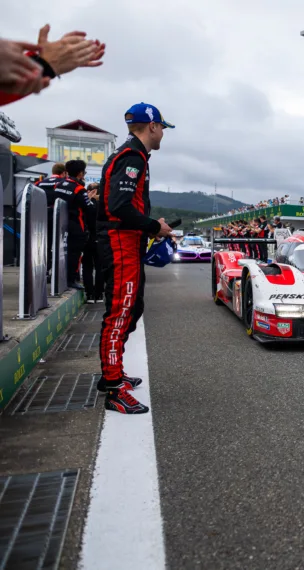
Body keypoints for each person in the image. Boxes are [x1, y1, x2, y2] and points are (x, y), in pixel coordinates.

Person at [96, 102, 174, 414]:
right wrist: (155, 225)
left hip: (126, 240)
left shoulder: (134, 154)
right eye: (162, 127)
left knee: (132, 307)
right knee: (120, 311)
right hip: (119, 242)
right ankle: (113, 387)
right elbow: (118, 207)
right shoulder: (132, 156)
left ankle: (111, 373)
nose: (163, 133)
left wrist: (151, 226)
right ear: (152, 126)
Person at [54, 159, 90, 289]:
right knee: (74, 253)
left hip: (58, 223)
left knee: (59, 251)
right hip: (75, 225)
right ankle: (71, 279)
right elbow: (88, 208)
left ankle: (57, 277)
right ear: (81, 173)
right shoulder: (79, 189)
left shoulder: (58, 185)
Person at [36, 162, 65, 273]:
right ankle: (57, 272)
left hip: (42, 216)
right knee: (59, 244)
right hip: (59, 216)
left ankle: (45, 269)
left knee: (45, 243)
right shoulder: (64, 183)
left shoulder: (40, 183)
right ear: (63, 173)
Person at [82, 183, 103, 303]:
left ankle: (90, 294)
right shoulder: (104, 204)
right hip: (100, 237)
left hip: (88, 237)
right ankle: (99, 294)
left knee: (88, 266)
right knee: (100, 267)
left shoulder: (87, 204)